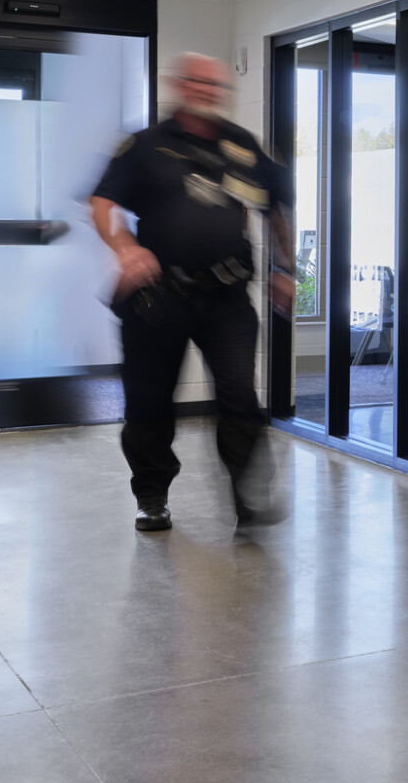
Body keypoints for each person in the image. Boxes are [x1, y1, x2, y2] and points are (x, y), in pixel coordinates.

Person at [90, 53, 294, 534]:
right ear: (179, 86)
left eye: (214, 84)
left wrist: (284, 267)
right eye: (197, 82)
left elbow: (273, 206)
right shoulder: (145, 145)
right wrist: (125, 249)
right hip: (158, 298)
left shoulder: (240, 144)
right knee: (149, 401)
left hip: (226, 298)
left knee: (241, 396)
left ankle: (248, 498)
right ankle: (153, 496)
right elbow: (101, 203)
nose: (206, 90)